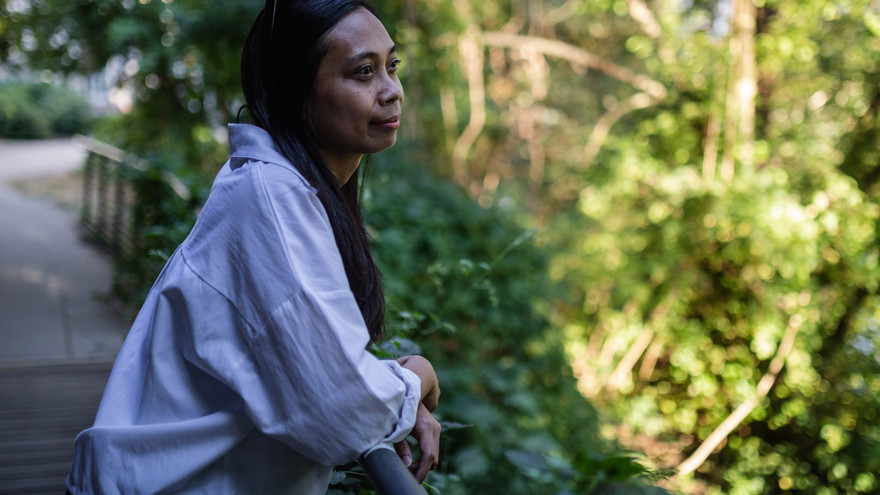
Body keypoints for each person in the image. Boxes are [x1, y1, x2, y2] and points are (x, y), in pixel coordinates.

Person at [65, 0, 441, 493]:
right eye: (362, 72)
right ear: (297, 92)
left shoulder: (282, 186)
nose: (391, 91)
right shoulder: (270, 199)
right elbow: (345, 414)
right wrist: (418, 376)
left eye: (391, 66)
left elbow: (309, 357)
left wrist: (392, 386)